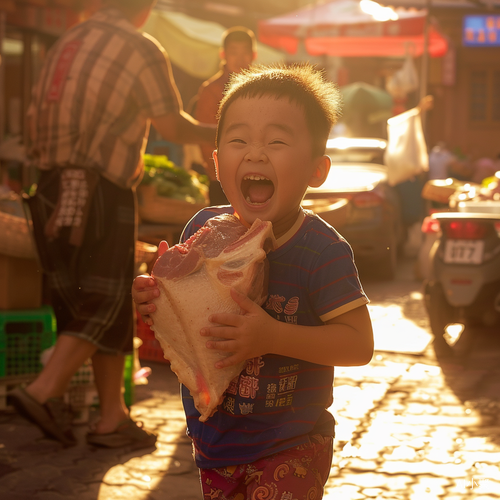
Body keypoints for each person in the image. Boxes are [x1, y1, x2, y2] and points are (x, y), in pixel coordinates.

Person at [132, 64, 374, 498]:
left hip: (293, 443)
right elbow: (182, 325)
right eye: (238, 140)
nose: (255, 153)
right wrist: (153, 299)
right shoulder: (201, 232)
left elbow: (358, 345)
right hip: (215, 442)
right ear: (217, 163)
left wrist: (271, 336)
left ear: (317, 171)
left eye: (277, 141)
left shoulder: (323, 251)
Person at [8, 0, 215, 449]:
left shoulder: (68, 41)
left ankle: (112, 418)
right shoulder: (139, 46)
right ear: (143, 10)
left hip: (47, 188)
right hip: (97, 188)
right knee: (104, 299)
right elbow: (170, 126)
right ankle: (42, 391)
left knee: (82, 301)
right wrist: (219, 132)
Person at [192, 26, 256, 205]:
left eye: (245, 52)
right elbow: (206, 137)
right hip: (222, 180)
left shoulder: (262, 89)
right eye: (234, 52)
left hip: (257, 176)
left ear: (254, 55)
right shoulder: (211, 90)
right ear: (223, 54)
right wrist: (217, 176)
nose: (240, 59)